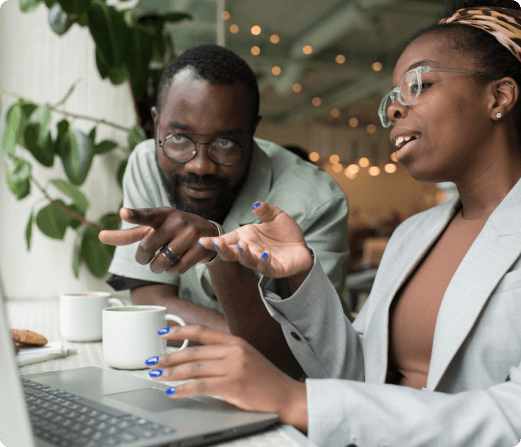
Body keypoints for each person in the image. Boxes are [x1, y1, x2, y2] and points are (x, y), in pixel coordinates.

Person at [130, 1, 521, 445]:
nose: (394, 110)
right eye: (392, 98)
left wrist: (299, 402)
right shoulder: (414, 234)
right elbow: (357, 372)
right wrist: (300, 276)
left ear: (499, 97)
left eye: (419, 84)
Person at [101, 44, 349, 376]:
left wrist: (218, 250)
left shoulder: (316, 201)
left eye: (225, 143)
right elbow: (150, 299)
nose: (200, 165)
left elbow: (310, 357)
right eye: (178, 137)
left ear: (253, 133)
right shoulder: (147, 163)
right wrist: (252, 344)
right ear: (157, 123)